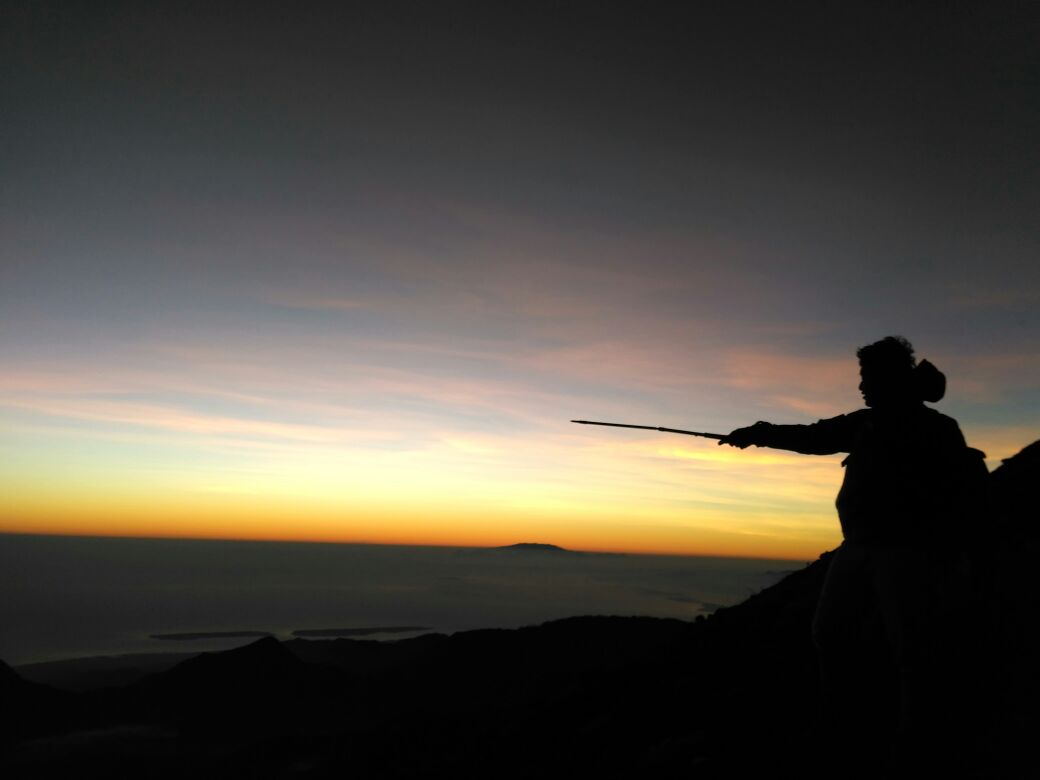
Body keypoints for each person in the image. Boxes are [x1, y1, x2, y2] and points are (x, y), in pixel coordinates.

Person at [720, 336, 987, 771]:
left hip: (909, 554)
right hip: (860, 548)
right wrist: (760, 434)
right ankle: (847, 722)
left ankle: (911, 742)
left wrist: (954, 554)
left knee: (908, 647)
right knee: (833, 633)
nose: (861, 386)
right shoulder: (869, 423)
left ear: (890, 378)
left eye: (867, 377)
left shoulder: (930, 429)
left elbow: (960, 497)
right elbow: (813, 436)